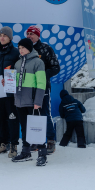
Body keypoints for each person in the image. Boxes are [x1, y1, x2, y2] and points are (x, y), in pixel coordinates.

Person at [11, 38, 47, 166]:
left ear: (30, 48)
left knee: (37, 128)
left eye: (23, 48)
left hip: (32, 102)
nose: (20, 50)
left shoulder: (38, 62)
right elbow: (15, 82)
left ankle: (42, 153)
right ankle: (26, 152)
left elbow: (42, 83)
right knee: (24, 128)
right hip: (20, 101)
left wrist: (38, 100)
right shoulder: (17, 63)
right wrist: (7, 83)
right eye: (19, 48)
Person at [27, 25, 60, 154]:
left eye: (32, 34)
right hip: (28, 89)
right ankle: (36, 140)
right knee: (32, 114)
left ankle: (51, 140)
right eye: (28, 34)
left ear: (38, 36)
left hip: (42, 87)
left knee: (45, 113)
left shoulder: (46, 48)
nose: (29, 36)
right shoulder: (24, 49)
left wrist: (41, 76)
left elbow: (56, 67)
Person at [0, 26, 20, 158]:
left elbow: (19, 71)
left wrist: (11, 80)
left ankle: (14, 145)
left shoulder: (15, 53)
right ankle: (2, 143)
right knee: (1, 119)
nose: (2, 38)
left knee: (12, 118)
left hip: (11, 92)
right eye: (1, 35)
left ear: (10, 38)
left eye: (5, 36)